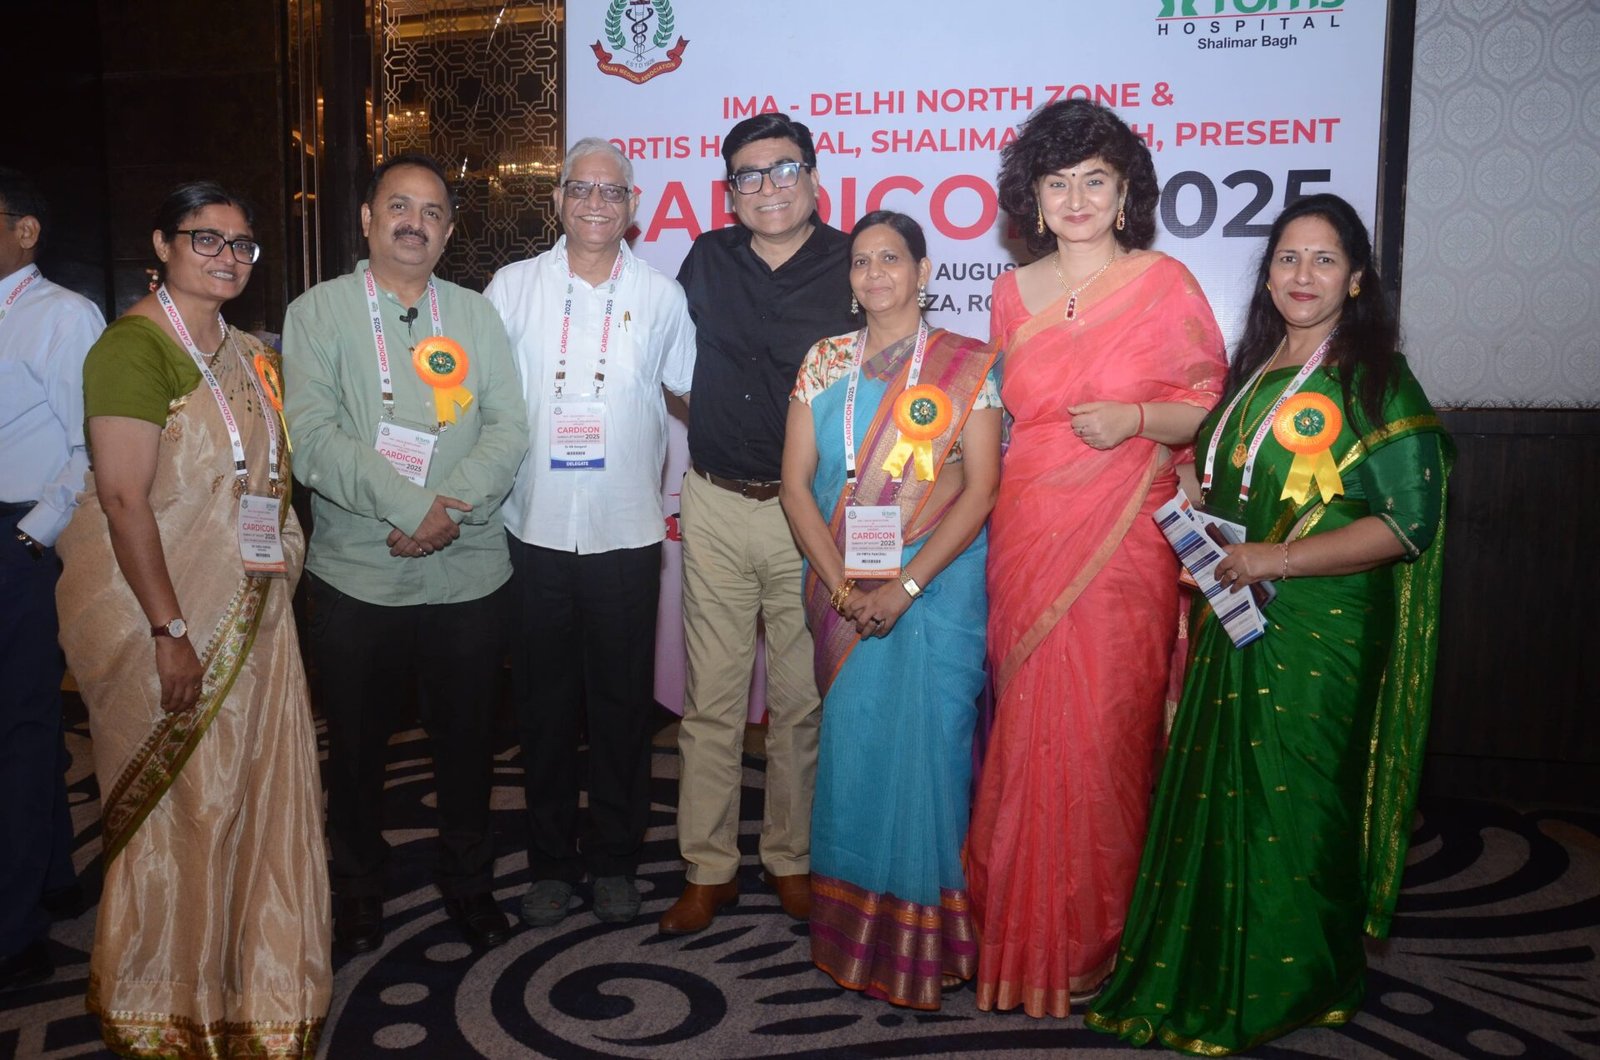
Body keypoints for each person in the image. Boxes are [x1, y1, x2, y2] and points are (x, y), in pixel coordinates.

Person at [1087, 194, 1452, 1054]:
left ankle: (1297, 979)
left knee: (1301, 799)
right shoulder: (1255, 369)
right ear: (1268, 275)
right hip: (1238, 610)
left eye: (1324, 259)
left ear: (1356, 279)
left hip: (1323, 623)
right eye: (1288, 258)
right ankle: (1212, 969)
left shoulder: (1375, 380)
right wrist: (1193, 503)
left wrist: (1274, 560)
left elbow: (1407, 524)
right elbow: (1237, 485)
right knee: (1225, 793)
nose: (1303, 275)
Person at [963, 99, 1228, 1017]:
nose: (1075, 199)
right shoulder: (1010, 295)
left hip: (1125, 544)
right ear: (1032, 198)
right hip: (1029, 531)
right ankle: (1019, 933)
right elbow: (996, 419)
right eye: (1057, 182)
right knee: (1028, 729)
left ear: (1125, 194)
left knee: (1107, 733)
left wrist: (1139, 418)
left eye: (1095, 181)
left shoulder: (1164, 284)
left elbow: (1213, 411)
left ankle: (1096, 939)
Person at [54, 181, 330, 1055]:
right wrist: (171, 633)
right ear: (161, 245)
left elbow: (266, 479)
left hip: (254, 610)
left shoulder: (250, 352)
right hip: (169, 618)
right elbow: (124, 500)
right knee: (188, 807)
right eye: (205, 238)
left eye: (241, 244)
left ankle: (253, 985)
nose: (227, 256)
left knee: (253, 796)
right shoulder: (131, 349)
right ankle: (167, 1000)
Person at [282, 152, 529, 953]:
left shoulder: (475, 315)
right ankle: (357, 887)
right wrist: (410, 507)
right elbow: (313, 438)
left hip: (469, 573)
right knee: (355, 752)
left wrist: (446, 509)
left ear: (449, 231)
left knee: (469, 746)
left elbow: (508, 427)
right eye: (398, 206)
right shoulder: (318, 313)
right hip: (360, 576)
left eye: (431, 211)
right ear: (366, 218)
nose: (413, 223)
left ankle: (469, 881)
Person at [780, 211, 1000, 1009]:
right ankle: (855, 936)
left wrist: (904, 588)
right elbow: (794, 485)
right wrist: (843, 587)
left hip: (938, 591)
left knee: (933, 756)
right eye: (861, 261)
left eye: (891, 259)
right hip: (844, 586)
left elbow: (981, 489)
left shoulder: (968, 365)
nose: (875, 274)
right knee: (857, 751)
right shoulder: (824, 361)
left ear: (924, 271)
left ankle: (932, 944)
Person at [485, 138, 695, 928]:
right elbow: (476, 399)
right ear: (558, 200)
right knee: (541, 709)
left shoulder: (663, 296)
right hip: (532, 527)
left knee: (620, 708)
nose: (596, 203)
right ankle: (549, 862)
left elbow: (695, 392)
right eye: (582, 188)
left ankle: (614, 861)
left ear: (633, 206)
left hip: (627, 532)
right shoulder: (512, 287)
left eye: (612, 191)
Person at [660, 113, 854, 935]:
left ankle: (789, 857)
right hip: (711, 502)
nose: (768, 187)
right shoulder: (706, 259)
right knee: (710, 700)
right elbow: (671, 365)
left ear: (813, 178)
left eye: (784, 170)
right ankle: (707, 869)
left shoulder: (855, 262)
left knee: (801, 701)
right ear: (730, 191)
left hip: (806, 512)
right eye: (749, 174)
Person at [0, 167, 105, 991]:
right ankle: (56, 875)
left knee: (20, 726)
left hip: (20, 538)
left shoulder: (64, 316)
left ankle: (14, 927)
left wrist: (30, 537)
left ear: (25, 230)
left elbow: (88, 446)